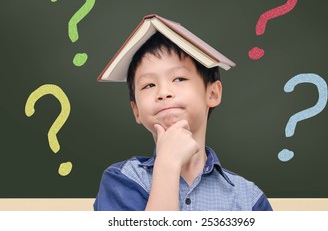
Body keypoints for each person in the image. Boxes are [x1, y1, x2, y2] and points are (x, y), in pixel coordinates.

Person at [94, 30, 272, 211]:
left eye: (179, 79)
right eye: (149, 85)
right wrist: (167, 165)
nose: (163, 92)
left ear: (212, 93)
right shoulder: (123, 179)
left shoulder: (249, 198)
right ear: (136, 110)